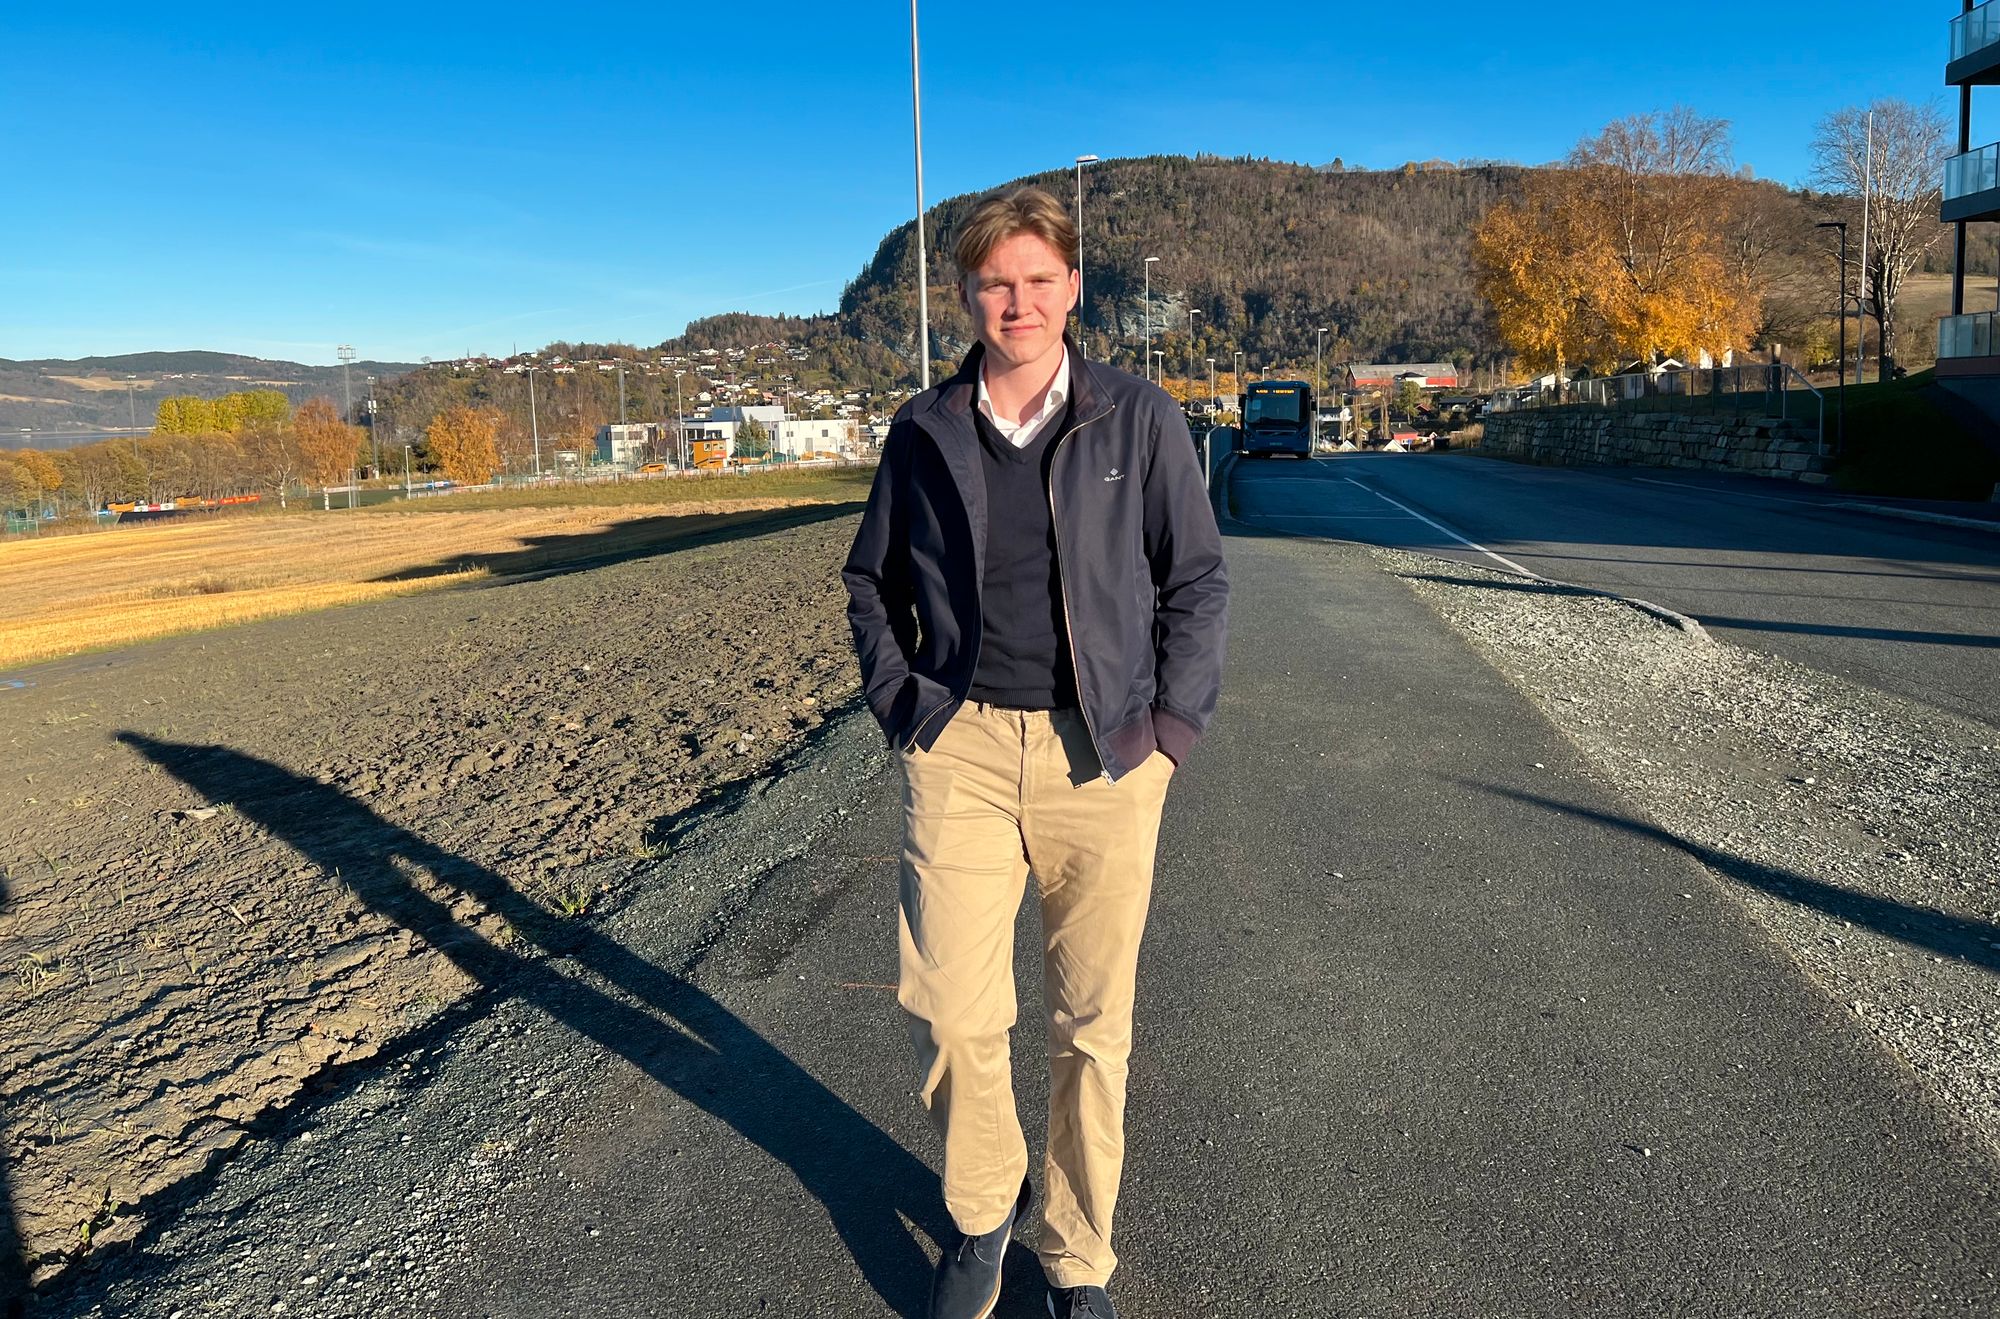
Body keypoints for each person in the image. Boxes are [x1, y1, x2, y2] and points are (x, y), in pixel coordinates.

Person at [841, 186, 1229, 1319]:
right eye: (993, 282)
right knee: (952, 1008)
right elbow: (869, 580)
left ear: (1072, 289)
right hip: (956, 748)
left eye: (1037, 280)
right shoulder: (923, 429)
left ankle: (1075, 1256)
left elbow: (1196, 578)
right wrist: (905, 705)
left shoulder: (1136, 417)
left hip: (1102, 756)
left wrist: (1169, 731)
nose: (1016, 301)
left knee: (1090, 1025)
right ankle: (979, 1212)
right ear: (965, 294)